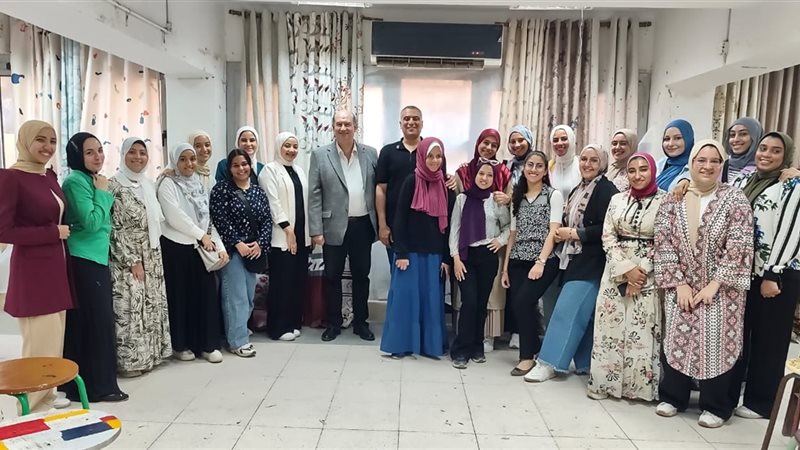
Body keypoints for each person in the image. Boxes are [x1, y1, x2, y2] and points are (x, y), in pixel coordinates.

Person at [654, 139, 754, 428]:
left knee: (718, 343)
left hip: (722, 289)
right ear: (692, 163)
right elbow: (663, 242)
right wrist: (679, 284)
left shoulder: (735, 199)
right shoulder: (673, 199)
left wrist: (715, 284)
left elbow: (739, 245)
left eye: (714, 161)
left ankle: (716, 406)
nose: (708, 166)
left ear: (721, 165)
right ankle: (674, 397)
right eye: (701, 160)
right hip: (682, 285)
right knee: (677, 338)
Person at [525, 144, 618, 382]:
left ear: (602, 164)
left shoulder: (607, 190)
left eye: (594, 160)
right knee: (583, 314)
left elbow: (609, 227)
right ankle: (586, 364)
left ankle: (548, 363)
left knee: (566, 311)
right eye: (584, 159)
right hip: (574, 258)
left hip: (593, 261)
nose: (587, 164)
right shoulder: (580, 187)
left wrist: (575, 234)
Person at [0, 120, 73, 411]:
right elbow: (4, 231)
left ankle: (48, 393)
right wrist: (52, 233)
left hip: (56, 268)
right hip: (33, 272)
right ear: (25, 141)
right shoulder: (11, 177)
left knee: (53, 340)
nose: (47, 146)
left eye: (52, 141)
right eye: (40, 140)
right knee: (38, 343)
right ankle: (28, 406)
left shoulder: (47, 175)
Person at [730, 132, 800, 420]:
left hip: (778, 273)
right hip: (748, 272)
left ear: (786, 156)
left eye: (775, 150)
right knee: (745, 335)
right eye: (763, 148)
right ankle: (741, 391)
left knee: (770, 339)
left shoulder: (792, 185)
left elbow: (791, 231)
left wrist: (774, 273)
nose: (766, 155)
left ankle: (762, 403)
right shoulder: (746, 180)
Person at [587, 152, 665, 402]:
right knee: (610, 328)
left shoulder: (665, 202)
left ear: (652, 171)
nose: (637, 175)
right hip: (615, 271)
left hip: (648, 274)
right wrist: (625, 271)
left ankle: (638, 389)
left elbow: (664, 240)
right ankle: (605, 384)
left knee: (641, 330)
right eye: (632, 170)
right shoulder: (617, 200)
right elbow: (608, 236)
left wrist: (639, 273)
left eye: (643, 169)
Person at [61, 132, 128, 403]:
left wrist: (101, 190)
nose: (97, 156)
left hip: (97, 258)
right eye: (89, 152)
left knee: (97, 323)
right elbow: (91, 222)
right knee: (94, 323)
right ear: (77, 155)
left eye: (99, 150)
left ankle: (94, 384)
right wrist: (102, 193)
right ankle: (96, 387)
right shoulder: (75, 181)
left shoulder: (92, 179)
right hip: (84, 259)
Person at [308, 110, 378, 342]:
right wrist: (315, 230)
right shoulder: (320, 155)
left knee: (361, 276)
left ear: (355, 126)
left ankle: (361, 323)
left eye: (347, 124)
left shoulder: (370, 153)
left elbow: (379, 188)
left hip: (363, 225)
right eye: (339, 124)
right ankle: (333, 324)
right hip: (333, 226)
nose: (343, 128)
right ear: (333, 127)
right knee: (332, 277)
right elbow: (314, 194)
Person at [380, 137, 454, 358]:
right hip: (409, 253)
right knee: (405, 300)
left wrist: (446, 258)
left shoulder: (446, 186)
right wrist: (401, 252)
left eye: (438, 156)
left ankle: (429, 346)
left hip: (434, 255)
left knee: (430, 301)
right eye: (430, 156)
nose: (434, 160)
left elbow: (450, 226)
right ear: (422, 156)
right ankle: (401, 345)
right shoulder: (411, 181)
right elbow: (400, 219)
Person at [158, 143, 227, 363]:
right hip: (176, 248)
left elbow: (208, 218)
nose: (189, 163)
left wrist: (219, 246)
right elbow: (174, 216)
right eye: (183, 159)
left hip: (200, 248)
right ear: (174, 161)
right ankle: (181, 345)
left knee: (206, 297)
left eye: (192, 159)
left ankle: (207, 345)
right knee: (181, 298)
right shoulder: (167, 183)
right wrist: (201, 235)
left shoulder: (198, 184)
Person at [109, 137, 171, 377]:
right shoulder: (113, 186)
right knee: (130, 309)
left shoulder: (148, 184)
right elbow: (112, 228)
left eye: (142, 153)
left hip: (152, 253)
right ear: (123, 154)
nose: (138, 157)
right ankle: (130, 363)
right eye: (132, 152)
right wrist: (132, 260)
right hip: (127, 257)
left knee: (151, 306)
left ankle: (151, 356)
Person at [501, 151, 564, 377]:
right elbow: (513, 233)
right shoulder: (517, 196)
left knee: (523, 301)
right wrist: (505, 268)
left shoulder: (553, 195)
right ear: (524, 168)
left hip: (544, 259)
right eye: (530, 165)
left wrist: (540, 262)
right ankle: (535, 348)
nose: (533, 169)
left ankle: (527, 356)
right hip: (518, 259)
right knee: (519, 306)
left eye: (539, 166)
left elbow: (553, 232)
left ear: (545, 170)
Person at [453, 128, 512, 353]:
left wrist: (500, 241)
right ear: (475, 174)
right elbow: (455, 231)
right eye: (481, 174)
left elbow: (508, 226)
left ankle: (477, 345)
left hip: (488, 255)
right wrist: (456, 258)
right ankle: (461, 348)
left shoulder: (496, 200)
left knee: (481, 303)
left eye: (489, 175)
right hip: (466, 255)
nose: (484, 178)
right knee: (469, 302)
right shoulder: (462, 198)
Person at [210, 149, 272, 357]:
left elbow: (267, 220)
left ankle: (238, 331)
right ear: (229, 168)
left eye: (244, 164)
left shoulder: (258, 191)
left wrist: (260, 244)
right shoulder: (221, 190)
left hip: (254, 251)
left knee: (249, 297)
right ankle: (237, 341)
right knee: (235, 297)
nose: (241, 169)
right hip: (233, 252)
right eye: (235, 165)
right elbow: (219, 219)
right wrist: (237, 243)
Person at [376, 106, 456, 262]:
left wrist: (451, 179)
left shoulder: (432, 151)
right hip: (395, 226)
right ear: (400, 124)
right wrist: (382, 224)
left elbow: (439, 181)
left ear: (422, 123)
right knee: (399, 270)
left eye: (415, 119)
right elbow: (381, 189)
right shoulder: (388, 152)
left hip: (427, 229)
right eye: (406, 119)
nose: (411, 122)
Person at [260, 132, 310, 341]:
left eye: (295, 146)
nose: (291, 150)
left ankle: (293, 322)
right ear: (279, 147)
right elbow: (272, 203)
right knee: (282, 282)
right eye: (287, 146)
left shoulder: (299, 170)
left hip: (301, 234)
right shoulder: (269, 170)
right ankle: (278, 328)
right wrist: (288, 229)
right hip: (282, 235)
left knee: (297, 281)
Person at [503, 124, 535, 349]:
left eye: (520, 140)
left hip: (531, 228)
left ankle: (521, 331)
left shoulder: (537, 164)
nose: (516, 145)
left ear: (529, 141)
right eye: (512, 141)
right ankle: (511, 327)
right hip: (508, 226)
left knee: (526, 284)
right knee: (511, 279)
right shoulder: (506, 167)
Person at [656, 119, 694, 191]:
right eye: (667, 139)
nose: (670, 144)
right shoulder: (659, 164)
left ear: (688, 139)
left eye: (677, 138)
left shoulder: (695, 168)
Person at [548, 124, 581, 201]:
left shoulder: (581, 165)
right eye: (555, 140)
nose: (559, 143)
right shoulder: (549, 167)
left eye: (564, 139)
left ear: (571, 140)